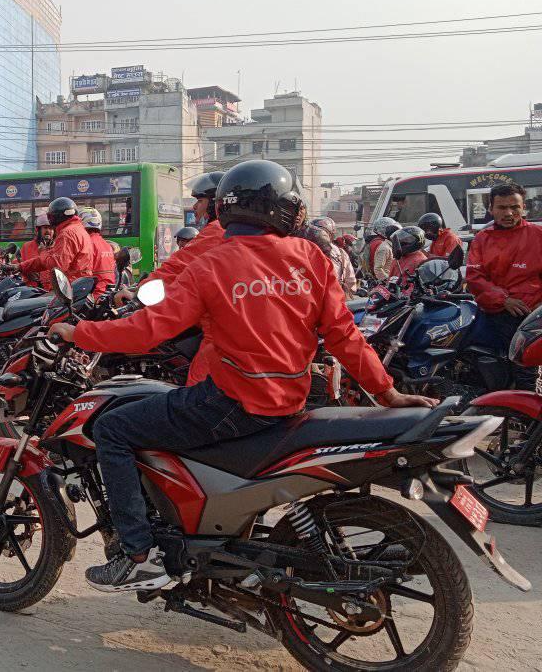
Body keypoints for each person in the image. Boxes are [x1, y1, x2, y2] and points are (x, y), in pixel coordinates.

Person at [47, 160, 436, 592]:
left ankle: (139, 554)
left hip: (231, 404)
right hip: (289, 402)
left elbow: (147, 330)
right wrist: (388, 393)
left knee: (115, 427)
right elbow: (345, 336)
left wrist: (79, 332)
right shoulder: (309, 257)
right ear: (281, 210)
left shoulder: (211, 263)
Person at [466, 183, 542, 389]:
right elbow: (474, 276)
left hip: (531, 319)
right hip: (494, 315)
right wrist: (504, 300)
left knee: (526, 376)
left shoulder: (538, 235)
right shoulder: (482, 238)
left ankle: (527, 417)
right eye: (502, 207)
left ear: (523, 207)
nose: (509, 213)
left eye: (514, 207)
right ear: (491, 208)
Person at [17, 197, 94, 285]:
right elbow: (47, 260)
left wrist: (43, 251)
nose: (48, 229)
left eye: (50, 217)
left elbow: (56, 266)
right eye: (45, 228)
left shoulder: (66, 234)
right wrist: (19, 267)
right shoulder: (79, 230)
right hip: (79, 285)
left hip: (70, 288)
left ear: (58, 216)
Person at [310, 216, 357, 298]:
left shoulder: (302, 248)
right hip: (334, 296)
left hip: (310, 295)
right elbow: (351, 281)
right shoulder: (340, 252)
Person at [79, 207, 116, 297]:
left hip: (94, 295)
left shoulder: (87, 244)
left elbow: (83, 273)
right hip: (108, 293)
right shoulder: (107, 245)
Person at [19, 212, 53, 290]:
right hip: (32, 289)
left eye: (51, 228)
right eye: (45, 228)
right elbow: (21, 264)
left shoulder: (57, 247)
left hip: (52, 290)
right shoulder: (27, 246)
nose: (48, 231)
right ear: (38, 230)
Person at [362, 217, 401, 282]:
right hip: (381, 280)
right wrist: (387, 281)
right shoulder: (380, 244)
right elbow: (377, 268)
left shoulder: (374, 241)